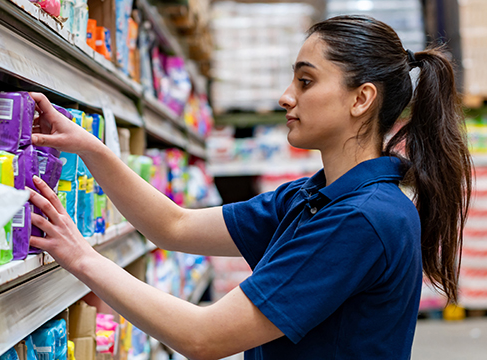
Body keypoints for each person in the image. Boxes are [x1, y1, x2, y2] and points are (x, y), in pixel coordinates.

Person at [26, 15, 472, 360]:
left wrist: (82, 257)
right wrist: (88, 147)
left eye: (306, 81)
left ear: (361, 99)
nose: (285, 97)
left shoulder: (362, 218)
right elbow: (173, 227)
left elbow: (203, 338)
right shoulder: (309, 198)